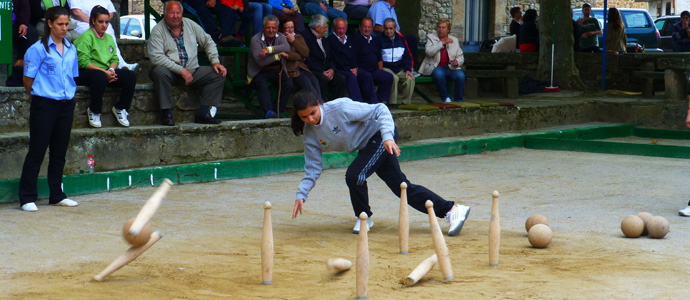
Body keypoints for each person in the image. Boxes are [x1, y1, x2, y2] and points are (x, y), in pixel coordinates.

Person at [290, 90, 471, 235]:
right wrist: (301, 194)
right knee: (402, 187)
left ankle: (364, 218)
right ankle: (452, 210)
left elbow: (380, 109)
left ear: (318, 104)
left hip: (381, 137)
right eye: (304, 117)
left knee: (355, 175)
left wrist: (387, 137)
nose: (311, 120)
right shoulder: (310, 134)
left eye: (312, 113)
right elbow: (313, 167)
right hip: (368, 146)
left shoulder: (339, 108)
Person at [18, 6, 79, 211]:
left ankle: (56, 194)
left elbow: (71, 76)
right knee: (37, 151)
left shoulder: (71, 49)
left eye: (67, 24)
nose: (64, 28)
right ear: (50, 23)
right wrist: (41, 98)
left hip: (66, 104)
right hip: (44, 104)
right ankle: (27, 197)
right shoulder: (36, 49)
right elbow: (28, 80)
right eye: (60, 24)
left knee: (59, 152)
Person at [148, 0, 227, 126]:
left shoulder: (190, 24)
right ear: (165, 14)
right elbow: (156, 58)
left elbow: (208, 42)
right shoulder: (158, 30)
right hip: (171, 73)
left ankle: (204, 113)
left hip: (192, 70)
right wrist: (181, 70)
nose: (175, 16)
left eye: (178, 13)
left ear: (182, 14)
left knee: (218, 73)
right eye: (172, 13)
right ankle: (166, 112)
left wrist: (215, 61)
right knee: (158, 71)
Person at [74, 5, 136, 128]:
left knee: (130, 76)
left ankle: (121, 108)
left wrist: (111, 70)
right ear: (93, 21)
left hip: (105, 72)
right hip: (87, 72)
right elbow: (83, 62)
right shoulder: (86, 37)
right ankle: (95, 110)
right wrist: (105, 72)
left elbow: (114, 58)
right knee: (100, 77)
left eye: (106, 22)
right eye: (100, 21)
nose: (104, 25)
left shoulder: (108, 38)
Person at [68, 0, 138, 70]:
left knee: (109, 35)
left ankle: (118, 65)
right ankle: (101, 66)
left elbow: (110, 11)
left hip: (98, 22)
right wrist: (95, 21)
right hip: (84, 23)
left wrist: (103, 21)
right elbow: (76, 11)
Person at [248, 15, 295, 118]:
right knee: (262, 83)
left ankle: (278, 111)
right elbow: (260, 62)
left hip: (275, 70)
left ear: (277, 29)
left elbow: (286, 47)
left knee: (288, 84)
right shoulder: (255, 39)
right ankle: (268, 112)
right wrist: (277, 55)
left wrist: (269, 50)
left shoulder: (281, 36)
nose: (271, 30)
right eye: (268, 27)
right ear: (263, 28)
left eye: (273, 28)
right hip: (258, 72)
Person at [301, 14, 346, 101]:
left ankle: (337, 105)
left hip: (325, 71)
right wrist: (322, 72)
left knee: (341, 79)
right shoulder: (305, 37)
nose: (326, 29)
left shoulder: (324, 39)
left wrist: (332, 69)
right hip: (312, 70)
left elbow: (329, 58)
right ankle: (322, 106)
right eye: (325, 27)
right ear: (317, 28)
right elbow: (307, 59)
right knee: (322, 78)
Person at [419, 18, 465, 103]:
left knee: (460, 76)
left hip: (450, 67)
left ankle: (458, 100)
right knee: (438, 74)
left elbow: (460, 57)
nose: (441, 30)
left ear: (448, 30)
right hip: (436, 66)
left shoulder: (454, 40)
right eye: (439, 27)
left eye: (443, 28)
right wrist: (442, 43)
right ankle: (446, 98)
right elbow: (429, 52)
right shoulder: (431, 37)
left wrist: (457, 62)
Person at [350, 17, 393, 104]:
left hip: (373, 70)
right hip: (361, 70)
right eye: (364, 27)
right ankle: (373, 102)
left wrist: (380, 71)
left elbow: (379, 58)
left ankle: (381, 100)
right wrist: (355, 68)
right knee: (367, 76)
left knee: (388, 77)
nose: (367, 29)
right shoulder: (355, 39)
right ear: (360, 27)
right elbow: (352, 56)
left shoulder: (374, 39)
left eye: (369, 27)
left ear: (372, 28)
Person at [367, 0, 418, 73]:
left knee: (411, 39)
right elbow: (377, 27)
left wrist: (398, 37)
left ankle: (410, 68)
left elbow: (397, 29)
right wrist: (390, 33)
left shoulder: (391, 9)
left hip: (393, 36)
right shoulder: (378, 6)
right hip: (382, 37)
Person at [279, 15, 322, 100]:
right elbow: (286, 53)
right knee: (306, 83)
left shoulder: (298, 37)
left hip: (303, 68)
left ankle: (320, 102)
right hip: (291, 70)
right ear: (283, 29)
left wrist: (293, 41)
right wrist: (299, 57)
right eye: (287, 28)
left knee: (314, 80)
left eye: (292, 27)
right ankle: (317, 104)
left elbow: (306, 53)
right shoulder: (280, 39)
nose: (290, 30)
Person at [380, 17, 414, 105]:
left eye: (391, 28)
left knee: (410, 79)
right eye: (386, 28)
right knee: (393, 78)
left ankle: (406, 104)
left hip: (399, 68)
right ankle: (392, 104)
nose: (388, 31)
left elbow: (407, 56)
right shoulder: (379, 39)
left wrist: (408, 69)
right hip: (385, 67)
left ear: (395, 28)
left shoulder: (401, 39)